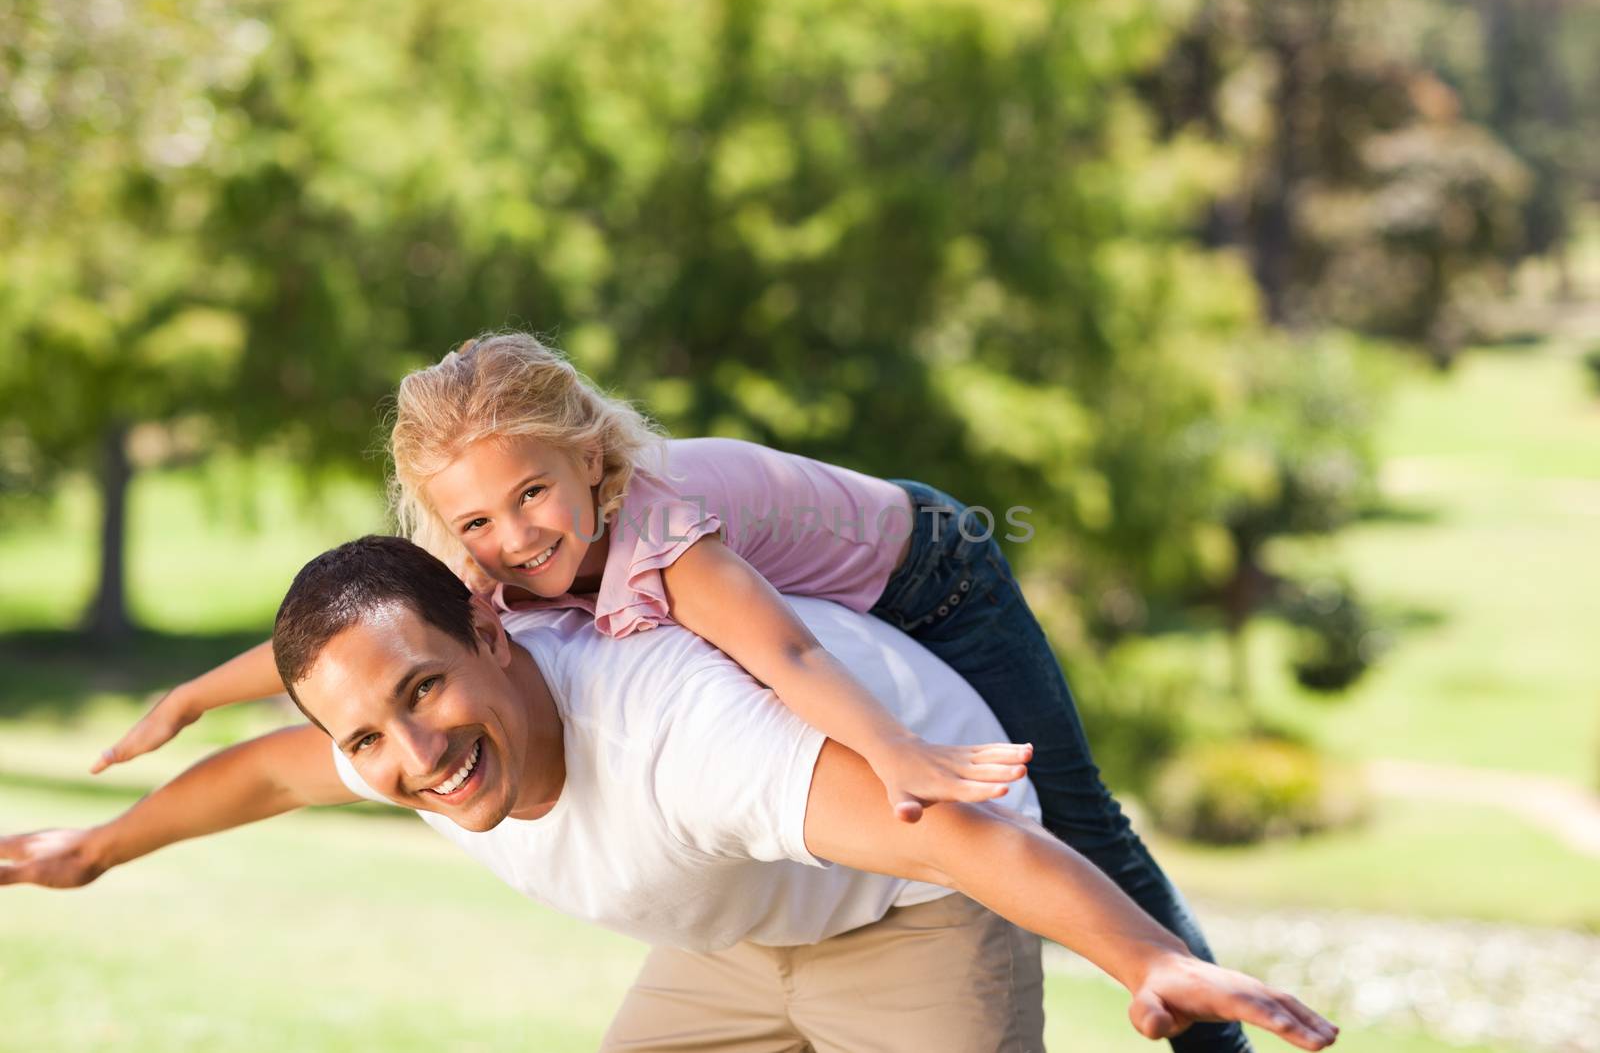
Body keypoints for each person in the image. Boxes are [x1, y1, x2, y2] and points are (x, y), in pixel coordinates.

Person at [93, 331, 1245, 1051]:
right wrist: (194, 693)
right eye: (476, 522)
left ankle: (1199, 1015)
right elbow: (348, 644)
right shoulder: (489, 569)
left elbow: (790, 658)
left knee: (1079, 818)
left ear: (592, 458)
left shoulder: (667, 539)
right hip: (800, 655)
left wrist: (896, 750)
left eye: (533, 494)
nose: (512, 536)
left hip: (930, 576)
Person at [11, 537, 1339, 1052]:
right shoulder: (393, 752)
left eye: (422, 690)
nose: (411, 755)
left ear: (493, 628)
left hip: (909, 904)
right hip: (739, 934)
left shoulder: (679, 729)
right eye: (364, 735)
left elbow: (964, 835)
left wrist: (1149, 957)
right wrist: (101, 846)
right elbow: (258, 769)